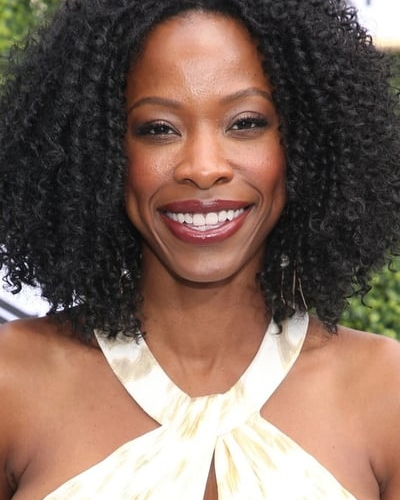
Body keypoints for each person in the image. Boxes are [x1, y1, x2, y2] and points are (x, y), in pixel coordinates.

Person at [0, 0, 400, 498]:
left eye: (245, 123)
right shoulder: (11, 381)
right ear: (99, 151)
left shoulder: (387, 393)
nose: (204, 167)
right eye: (158, 129)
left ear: (307, 144)